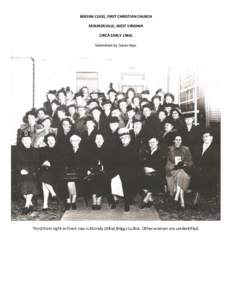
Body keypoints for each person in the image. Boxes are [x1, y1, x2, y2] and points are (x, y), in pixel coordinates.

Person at [116, 128, 142, 211]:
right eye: (122, 139)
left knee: (131, 181)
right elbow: (117, 162)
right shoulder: (119, 149)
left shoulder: (133, 149)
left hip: (132, 171)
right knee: (124, 181)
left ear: (129, 139)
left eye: (126, 139)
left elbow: (137, 163)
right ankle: (127, 202)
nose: (123, 140)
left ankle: (129, 199)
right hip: (122, 171)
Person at [165, 135, 193, 208]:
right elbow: (167, 162)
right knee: (182, 175)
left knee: (181, 174)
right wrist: (174, 166)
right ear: (174, 140)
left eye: (179, 140)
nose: (178, 141)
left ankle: (177, 196)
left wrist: (184, 164)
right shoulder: (169, 149)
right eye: (176, 139)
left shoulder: (186, 149)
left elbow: (190, 161)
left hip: (183, 169)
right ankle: (181, 199)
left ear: (181, 141)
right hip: (172, 170)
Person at [14, 133, 39, 214]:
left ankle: (27, 206)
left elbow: (36, 163)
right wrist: (21, 170)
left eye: (28, 140)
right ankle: (30, 204)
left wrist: (29, 170)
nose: (26, 141)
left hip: (32, 172)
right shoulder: (18, 151)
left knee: (29, 181)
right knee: (24, 183)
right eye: (24, 140)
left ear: (31, 140)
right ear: (21, 141)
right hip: (21, 172)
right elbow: (16, 162)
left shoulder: (35, 150)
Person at [193, 129, 220, 203]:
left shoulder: (216, 147)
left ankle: (212, 196)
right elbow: (197, 157)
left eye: (206, 136)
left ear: (211, 137)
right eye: (203, 137)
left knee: (208, 175)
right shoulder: (200, 146)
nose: (204, 138)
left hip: (211, 168)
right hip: (200, 167)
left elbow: (215, 161)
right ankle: (199, 193)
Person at [63, 133, 89, 210]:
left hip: (80, 172)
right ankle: (70, 200)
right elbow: (66, 162)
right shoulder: (68, 151)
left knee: (70, 180)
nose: (74, 142)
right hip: (70, 172)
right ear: (71, 142)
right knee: (67, 180)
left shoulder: (83, 151)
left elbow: (85, 163)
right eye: (73, 141)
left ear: (79, 142)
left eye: (76, 141)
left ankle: (71, 200)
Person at [140, 136, 166, 208]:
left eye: (153, 142)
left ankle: (145, 200)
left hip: (157, 173)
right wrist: (145, 168)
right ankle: (151, 200)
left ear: (157, 142)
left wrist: (153, 169)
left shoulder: (161, 152)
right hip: (147, 172)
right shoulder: (147, 152)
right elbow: (143, 163)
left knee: (153, 179)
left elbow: (162, 165)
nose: (152, 144)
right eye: (150, 142)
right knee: (139, 179)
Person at [87, 133, 111, 209]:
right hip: (93, 170)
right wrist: (88, 169)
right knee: (93, 177)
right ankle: (94, 197)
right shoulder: (91, 150)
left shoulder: (107, 149)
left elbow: (110, 162)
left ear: (103, 140)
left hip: (104, 170)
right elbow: (87, 162)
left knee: (101, 177)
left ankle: (99, 198)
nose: (99, 140)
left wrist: (104, 167)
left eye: (100, 138)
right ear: (94, 140)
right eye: (97, 139)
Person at [39, 133, 60, 211]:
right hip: (46, 170)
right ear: (46, 141)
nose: (50, 141)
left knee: (43, 179)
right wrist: (44, 162)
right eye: (48, 140)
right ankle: (53, 194)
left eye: (52, 140)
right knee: (44, 176)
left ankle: (45, 203)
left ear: (55, 140)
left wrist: (51, 163)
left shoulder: (59, 149)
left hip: (56, 170)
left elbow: (61, 162)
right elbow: (40, 160)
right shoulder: (43, 149)